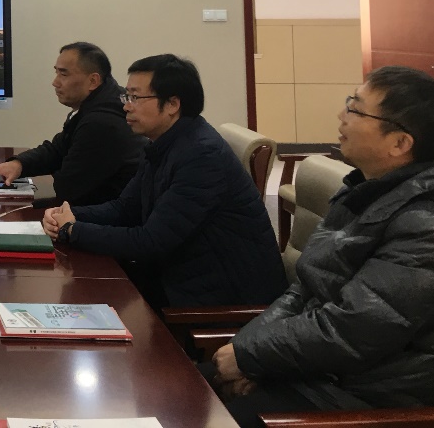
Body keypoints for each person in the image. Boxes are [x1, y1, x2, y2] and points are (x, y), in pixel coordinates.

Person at [207, 66, 434, 426]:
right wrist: (247, 355)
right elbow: (305, 290)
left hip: (370, 401)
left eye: (355, 109)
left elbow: (351, 332)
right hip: (323, 373)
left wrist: (250, 356)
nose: (341, 115)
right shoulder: (369, 189)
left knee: (192, 412)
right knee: (186, 392)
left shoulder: (432, 228)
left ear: (400, 143)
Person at [42, 54, 286, 309]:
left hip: (222, 300)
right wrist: (67, 215)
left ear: (172, 104)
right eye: (127, 96)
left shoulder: (201, 155)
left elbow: (150, 242)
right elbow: (124, 208)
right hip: (180, 278)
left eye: (136, 98)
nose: (126, 106)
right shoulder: (166, 143)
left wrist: (73, 230)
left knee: (79, 297)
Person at [0, 42, 143, 205]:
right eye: (56, 72)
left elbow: (68, 188)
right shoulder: (97, 103)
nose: (55, 82)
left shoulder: (103, 122)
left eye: (64, 74)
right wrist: (18, 164)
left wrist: (22, 202)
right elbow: (57, 150)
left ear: (93, 81)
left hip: (107, 214)